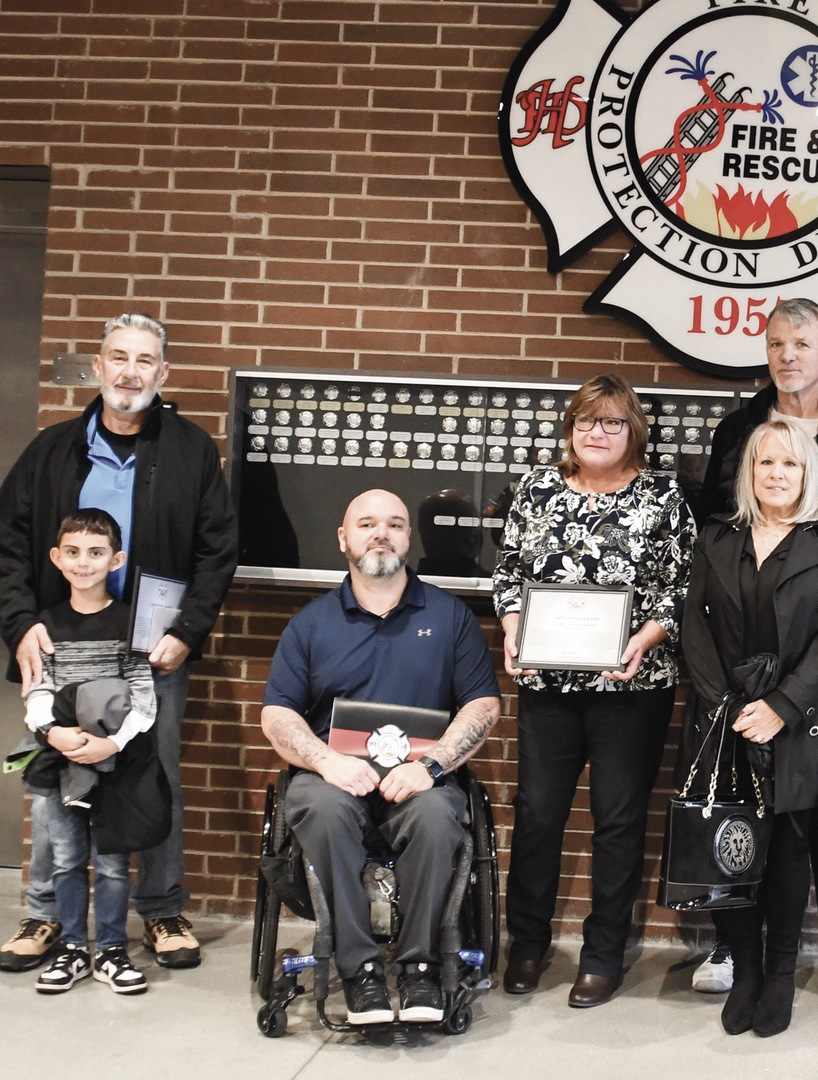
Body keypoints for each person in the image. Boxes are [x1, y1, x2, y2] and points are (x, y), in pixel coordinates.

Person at [0, 313, 237, 973]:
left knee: (151, 777)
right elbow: (9, 546)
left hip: (150, 653)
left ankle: (161, 909)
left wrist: (186, 631)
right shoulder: (51, 450)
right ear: (99, 368)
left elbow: (218, 551)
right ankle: (46, 916)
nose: (131, 371)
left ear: (162, 375)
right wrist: (20, 623)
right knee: (54, 781)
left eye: (145, 361)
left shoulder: (190, 450)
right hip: (62, 647)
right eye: (119, 358)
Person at [693, 297, 818, 1003]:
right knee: (737, 807)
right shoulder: (737, 430)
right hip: (740, 660)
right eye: (776, 343)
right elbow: (712, 535)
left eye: (802, 343)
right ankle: (727, 944)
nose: (788, 356)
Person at [261, 489, 500, 1025]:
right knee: (322, 810)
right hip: (333, 779)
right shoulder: (311, 623)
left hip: (419, 779)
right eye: (367, 524)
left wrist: (431, 767)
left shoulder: (449, 616)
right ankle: (361, 971)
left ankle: (419, 968)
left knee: (439, 816)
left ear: (409, 539)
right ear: (344, 538)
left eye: (394, 524)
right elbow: (277, 715)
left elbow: (483, 705)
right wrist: (325, 762)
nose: (381, 533)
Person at [494, 374, 695, 1008]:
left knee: (617, 821)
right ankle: (526, 945)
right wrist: (511, 628)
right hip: (548, 684)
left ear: (633, 430)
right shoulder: (536, 490)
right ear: (570, 430)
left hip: (631, 686)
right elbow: (508, 575)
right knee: (537, 816)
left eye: (610, 422)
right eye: (585, 421)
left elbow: (683, 585)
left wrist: (647, 637)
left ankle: (603, 953)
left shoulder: (662, 495)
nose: (597, 432)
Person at [683, 420, 818, 1036]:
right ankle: (750, 969)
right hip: (728, 715)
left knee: (788, 849)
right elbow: (694, 628)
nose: (777, 475)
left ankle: (782, 971)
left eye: (790, 464)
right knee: (731, 844)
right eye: (766, 464)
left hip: (800, 717)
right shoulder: (716, 536)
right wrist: (725, 708)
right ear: (749, 473)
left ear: (808, 471)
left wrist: (781, 706)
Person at [18, 510, 163, 996]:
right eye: (74, 553)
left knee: (112, 862)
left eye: (97, 553)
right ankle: (73, 948)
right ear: (57, 559)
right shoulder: (45, 625)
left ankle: (113, 950)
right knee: (66, 858)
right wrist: (52, 732)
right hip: (61, 762)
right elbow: (38, 688)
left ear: (116, 560)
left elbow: (144, 697)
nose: (85, 563)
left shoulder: (130, 625)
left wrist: (112, 743)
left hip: (116, 764)